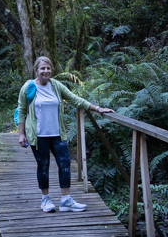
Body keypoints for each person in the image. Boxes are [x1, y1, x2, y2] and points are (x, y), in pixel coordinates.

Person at [16, 56, 114, 212]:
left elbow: (75, 99)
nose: (46, 71)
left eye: (48, 68)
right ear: (36, 70)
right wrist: (21, 135)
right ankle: (45, 199)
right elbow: (21, 111)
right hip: (38, 135)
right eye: (42, 68)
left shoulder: (56, 85)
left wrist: (97, 108)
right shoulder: (28, 87)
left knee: (65, 163)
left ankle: (66, 200)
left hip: (57, 134)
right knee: (43, 166)